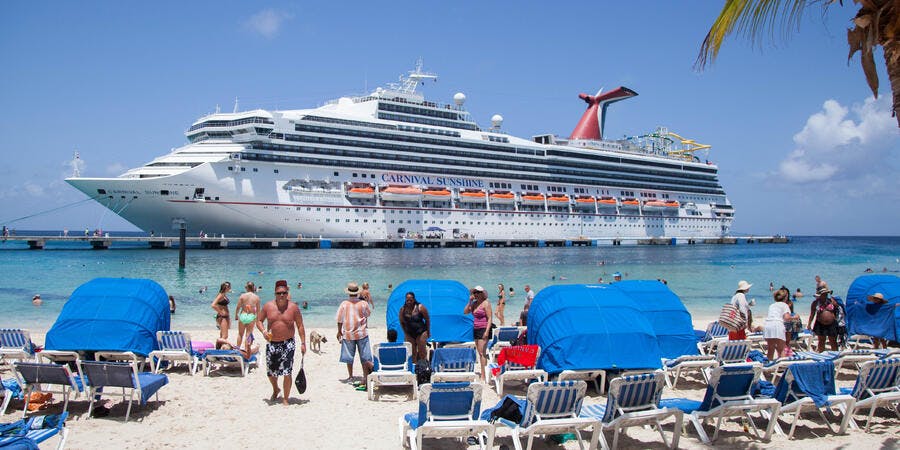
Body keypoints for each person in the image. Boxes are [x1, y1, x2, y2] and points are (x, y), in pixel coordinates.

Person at [256, 280, 306, 405]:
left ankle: (286, 399)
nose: (282, 295)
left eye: (284, 293)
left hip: (288, 343)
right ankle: (276, 389)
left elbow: (300, 325)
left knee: (287, 372)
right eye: (279, 293)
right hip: (272, 343)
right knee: (271, 373)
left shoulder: (293, 307)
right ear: (275, 293)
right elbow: (259, 321)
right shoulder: (268, 306)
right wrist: (263, 332)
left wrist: (303, 343)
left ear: (287, 293)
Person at [335, 282, 374, 381]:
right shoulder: (363, 303)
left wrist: (339, 331)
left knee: (349, 357)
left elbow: (339, 319)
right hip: (362, 333)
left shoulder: (344, 304)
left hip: (348, 334)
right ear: (357, 292)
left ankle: (350, 376)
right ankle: (365, 376)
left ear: (348, 293)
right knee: (365, 356)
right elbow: (368, 314)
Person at [463, 286, 492, 380]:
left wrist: (487, 331)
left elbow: (490, 318)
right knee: (480, 352)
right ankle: (485, 371)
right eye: (474, 292)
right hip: (476, 329)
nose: (476, 294)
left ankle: (483, 375)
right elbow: (465, 312)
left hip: (484, 328)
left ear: (482, 294)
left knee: (482, 352)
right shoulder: (474, 304)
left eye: (478, 292)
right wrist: (470, 301)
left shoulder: (486, 303)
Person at [398, 291, 430, 361]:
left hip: (421, 332)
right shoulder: (403, 309)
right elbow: (401, 322)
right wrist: (405, 333)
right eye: (407, 300)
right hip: (409, 333)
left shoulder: (420, 307)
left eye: (411, 300)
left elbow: (427, 320)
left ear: (414, 299)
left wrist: (428, 332)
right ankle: (414, 366)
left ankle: (424, 364)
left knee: (422, 352)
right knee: (412, 354)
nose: (409, 302)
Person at [763, 289, 793, 360]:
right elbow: (786, 317)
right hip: (777, 325)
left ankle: (769, 365)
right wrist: (795, 317)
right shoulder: (784, 305)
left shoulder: (772, 305)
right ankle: (783, 365)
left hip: (768, 325)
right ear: (785, 297)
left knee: (770, 349)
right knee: (781, 349)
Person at [808, 285, 839, 352]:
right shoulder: (815, 303)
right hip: (820, 324)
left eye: (826, 294)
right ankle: (821, 355)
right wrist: (809, 324)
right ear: (820, 295)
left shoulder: (831, 301)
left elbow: (837, 310)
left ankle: (836, 355)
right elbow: (812, 314)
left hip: (832, 324)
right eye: (823, 294)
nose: (825, 295)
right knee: (821, 341)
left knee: (833, 341)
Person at [235, 282, 261, 353]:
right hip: (251, 316)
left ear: (247, 288)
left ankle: (237, 348)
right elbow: (258, 310)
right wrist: (258, 320)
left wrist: (236, 315)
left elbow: (238, 307)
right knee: (248, 334)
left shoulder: (242, 296)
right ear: (253, 287)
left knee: (240, 334)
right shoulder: (256, 297)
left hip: (243, 315)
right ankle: (246, 350)